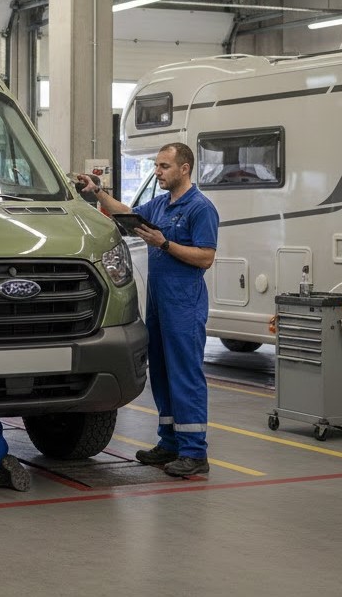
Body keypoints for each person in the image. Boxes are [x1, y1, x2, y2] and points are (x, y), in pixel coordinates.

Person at [76, 142, 219, 478]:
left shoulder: (200, 208)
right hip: (158, 304)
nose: (158, 172)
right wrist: (98, 193)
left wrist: (165, 244)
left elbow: (206, 257)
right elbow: (128, 213)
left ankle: (195, 452)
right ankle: (169, 443)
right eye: (156, 166)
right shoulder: (162, 205)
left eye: (164, 167)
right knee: (163, 374)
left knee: (185, 374)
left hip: (184, 304)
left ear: (184, 169)